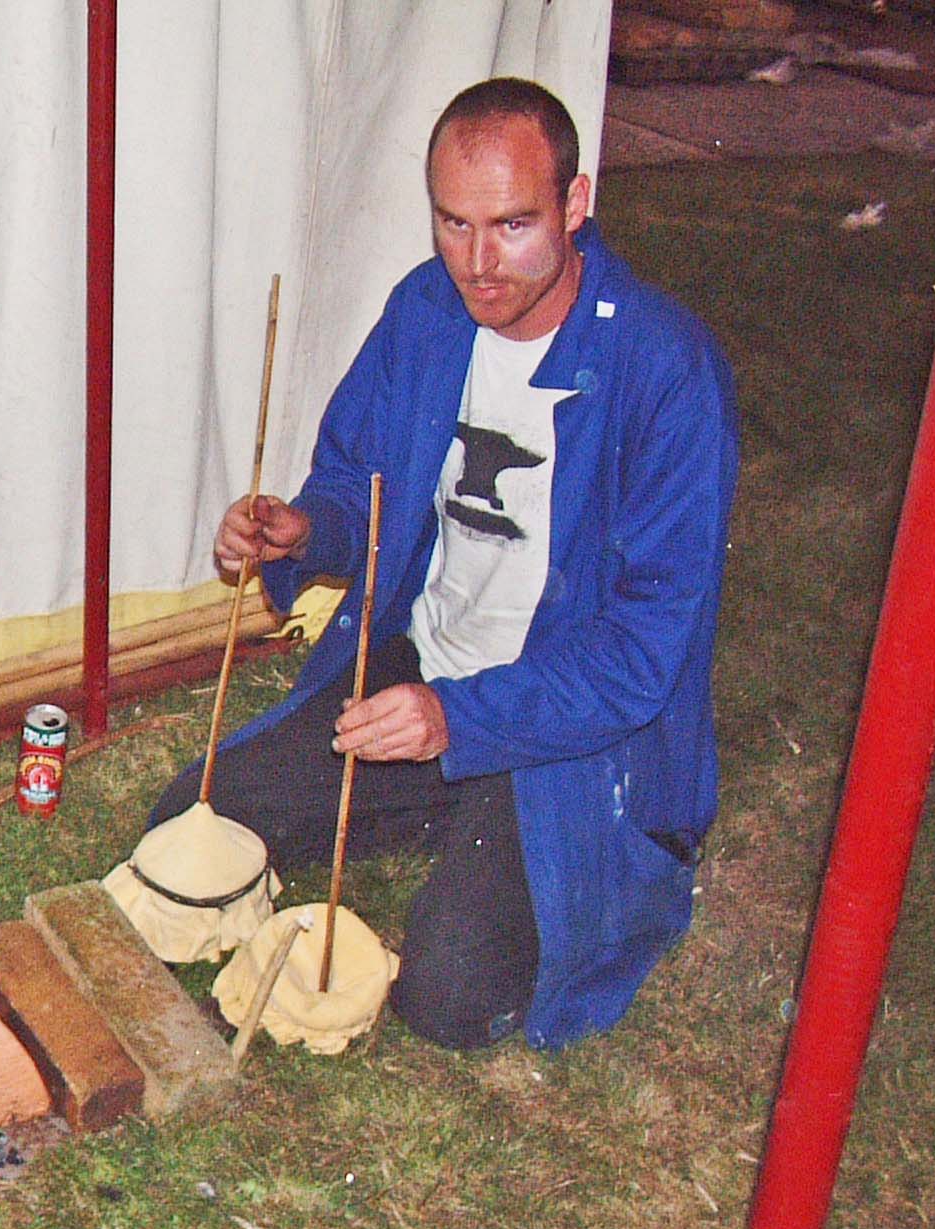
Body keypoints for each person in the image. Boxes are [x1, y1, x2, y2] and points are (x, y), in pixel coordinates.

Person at [152, 77, 737, 1050]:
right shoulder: (427, 311)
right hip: (430, 666)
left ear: (576, 205)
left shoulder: (666, 373)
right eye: (453, 223)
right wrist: (305, 530)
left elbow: (645, 651)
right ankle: (445, 803)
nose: (478, 263)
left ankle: (479, 812)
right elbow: (357, 482)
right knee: (193, 819)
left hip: (564, 723)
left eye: (511, 225)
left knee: (451, 998)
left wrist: (458, 720)